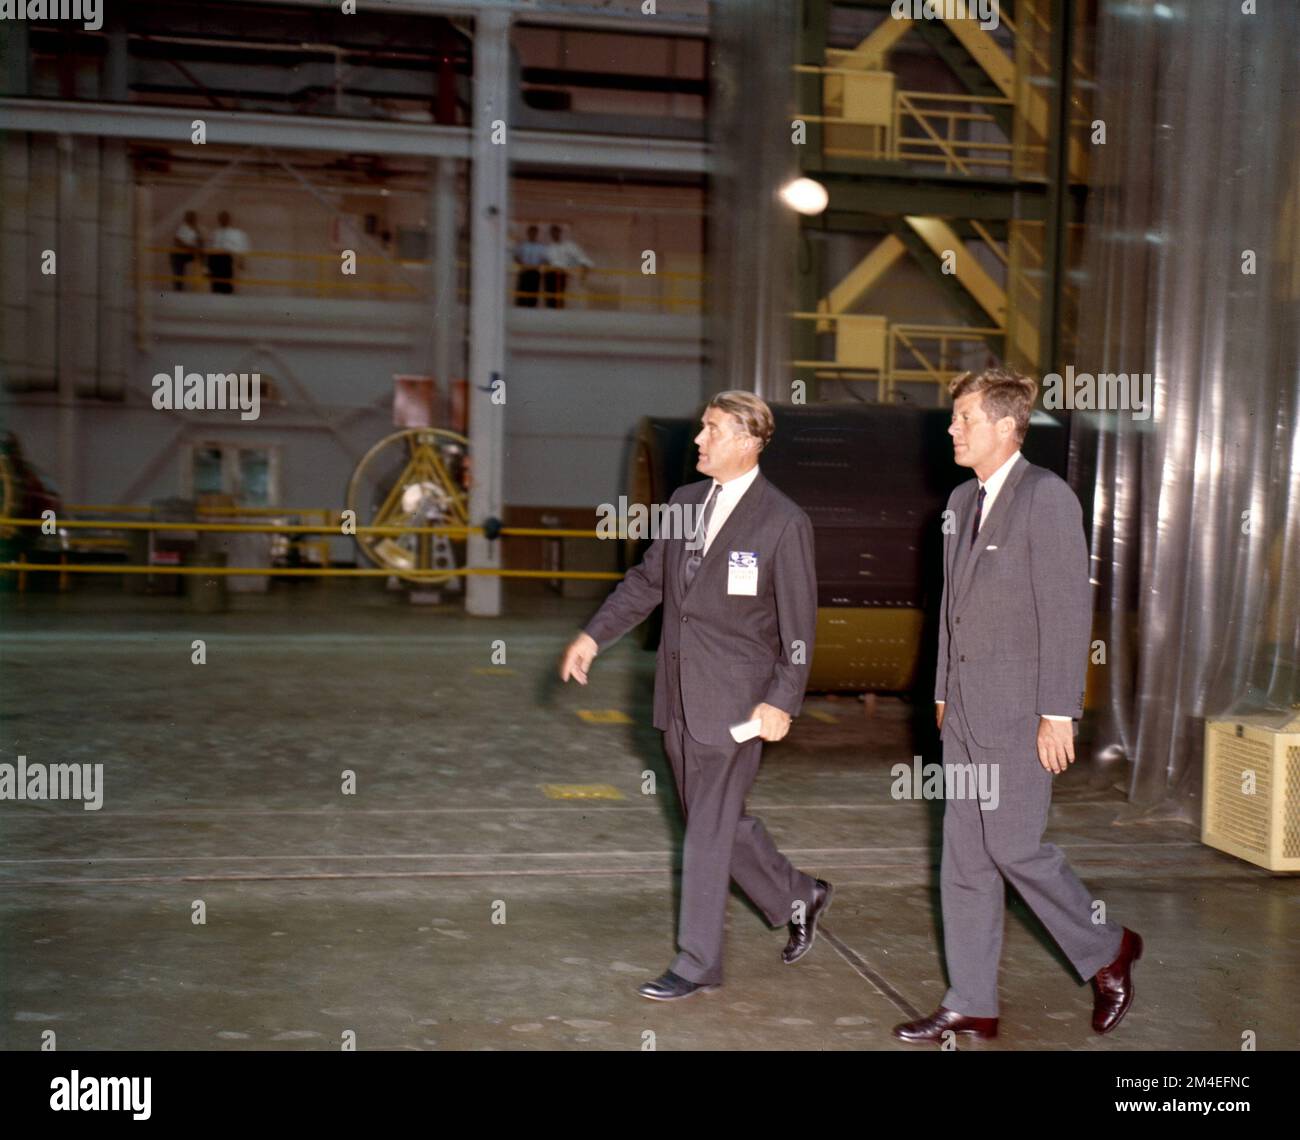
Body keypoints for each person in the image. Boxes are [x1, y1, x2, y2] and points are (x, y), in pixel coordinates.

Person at [893, 367, 1142, 1044]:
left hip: (1021, 712)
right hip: (965, 713)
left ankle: (1109, 947)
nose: (951, 428)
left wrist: (1059, 710)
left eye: (964, 418)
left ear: (1006, 426)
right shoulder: (959, 501)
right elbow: (950, 609)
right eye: (953, 417)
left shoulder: (1046, 497)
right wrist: (942, 689)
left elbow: (1065, 610)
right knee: (965, 860)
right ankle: (971, 999)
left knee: (1016, 848)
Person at [560, 391, 830, 1001]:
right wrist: (593, 635)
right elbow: (648, 582)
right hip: (678, 695)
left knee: (706, 832)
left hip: (739, 704)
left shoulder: (783, 521)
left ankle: (698, 961)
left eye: (711, 430)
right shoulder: (684, 503)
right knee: (715, 821)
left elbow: (799, 627)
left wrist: (782, 700)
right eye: (702, 429)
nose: (699, 440)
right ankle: (798, 896)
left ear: (748, 440)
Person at [542, 223, 593, 309]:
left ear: (560, 233)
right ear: (550, 234)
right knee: (549, 298)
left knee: (559, 297)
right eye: (552, 233)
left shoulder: (568, 246)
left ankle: (558, 313)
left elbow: (583, 260)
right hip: (549, 275)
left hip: (561, 275)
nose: (554, 234)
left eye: (556, 232)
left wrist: (584, 272)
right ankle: (550, 312)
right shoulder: (548, 248)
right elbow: (545, 262)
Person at [208, 211, 251, 294]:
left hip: (227, 259)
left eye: (225, 218)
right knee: (215, 285)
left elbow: (242, 248)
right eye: (221, 218)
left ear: (229, 219)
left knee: (226, 285)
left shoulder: (236, 233)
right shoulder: (214, 233)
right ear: (219, 220)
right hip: (214, 260)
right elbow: (210, 249)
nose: (223, 220)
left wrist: (242, 261)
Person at [512, 225, 548, 307]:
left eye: (534, 232)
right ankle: (520, 308)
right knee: (522, 290)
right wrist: (521, 264)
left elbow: (544, 259)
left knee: (533, 291)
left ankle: (532, 308)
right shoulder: (523, 245)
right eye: (531, 232)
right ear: (528, 233)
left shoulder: (541, 247)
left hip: (535, 271)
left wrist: (539, 265)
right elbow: (516, 256)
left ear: (537, 233)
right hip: (524, 270)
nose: (533, 234)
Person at [171, 211, 204, 292]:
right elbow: (177, 241)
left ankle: (203, 277)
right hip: (181, 254)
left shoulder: (197, 229)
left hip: (192, 253)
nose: (192, 219)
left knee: (203, 256)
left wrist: (197, 234)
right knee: (178, 268)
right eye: (189, 217)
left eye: (193, 217)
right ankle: (178, 289)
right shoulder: (182, 228)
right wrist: (188, 246)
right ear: (186, 218)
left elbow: (200, 242)